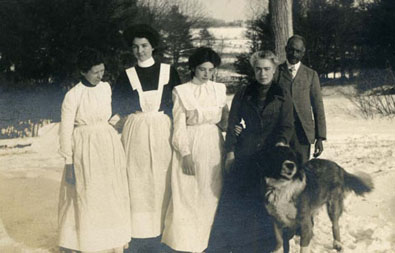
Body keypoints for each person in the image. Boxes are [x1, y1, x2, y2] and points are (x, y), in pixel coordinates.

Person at [207, 50, 294, 252]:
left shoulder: (282, 94)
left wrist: (281, 143)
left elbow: (287, 125)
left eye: (267, 69)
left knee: (263, 204)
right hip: (246, 153)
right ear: (253, 70)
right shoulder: (244, 93)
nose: (262, 73)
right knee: (237, 202)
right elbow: (233, 124)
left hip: (270, 156)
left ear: (274, 70)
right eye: (258, 69)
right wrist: (230, 152)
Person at [112, 24, 181, 252]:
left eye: (144, 46)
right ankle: (139, 233)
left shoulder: (169, 72)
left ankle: (162, 231)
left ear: (153, 47)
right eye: (135, 47)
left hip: (163, 132)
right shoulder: (126, 76)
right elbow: (118, 109)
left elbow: (179, 105)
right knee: (138, 181)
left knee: (162, 180)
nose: (140, 51)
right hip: (136, 135)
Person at [58, 48, 131, 253]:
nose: (100, 75)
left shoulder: (105, 87)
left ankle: (110, 239)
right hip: (85, 147)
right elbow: (65, 131)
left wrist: (114, 122)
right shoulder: (73, 95)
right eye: (95, 71)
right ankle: (86, 242)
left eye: (102, 71)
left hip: (107, 145)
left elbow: (111, 113)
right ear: (83, 72)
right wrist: (69, 162)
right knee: (88, 194)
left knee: (110, 193)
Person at [161, 47, 229, 253]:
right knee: (188, 195)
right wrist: (186, 154)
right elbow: (179, 126)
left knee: (211, 194)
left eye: (210, 70)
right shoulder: (181, 91)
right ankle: (186, 245)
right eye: (202, 70)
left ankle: (207, 244)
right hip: (191, 144)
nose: (207, 74)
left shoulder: (219, 89)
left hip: (214, 145)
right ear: (193, 69)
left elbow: (224, 119)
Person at [274, 35, 327, 164]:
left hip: (302, 133)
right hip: (280, 131)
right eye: (291, 50)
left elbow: (318, 107)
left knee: (302, 169)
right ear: (286, 49)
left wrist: (320, 137)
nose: (294, 54)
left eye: (298, 51)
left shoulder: (311, 75)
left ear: (303, 53)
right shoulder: (276, 73)